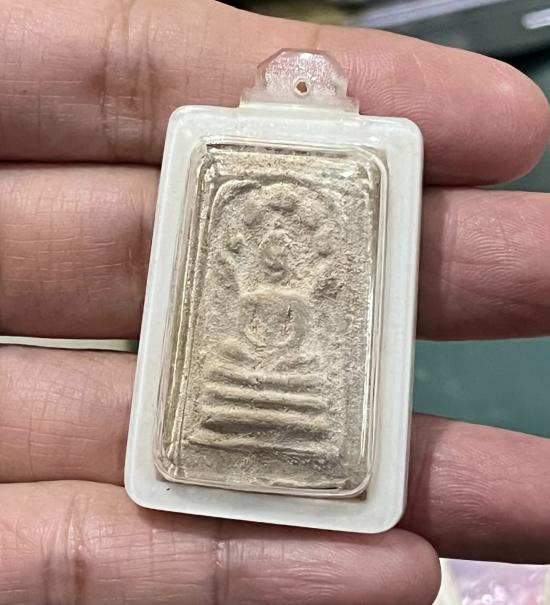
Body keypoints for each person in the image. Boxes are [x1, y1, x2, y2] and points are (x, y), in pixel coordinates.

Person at [0, 1, 549, 603]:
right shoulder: (232, 222)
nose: (278, 249)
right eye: (267, 240)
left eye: (291, 242)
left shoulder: (324, 240)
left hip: (311, 410)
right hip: (228, 404)